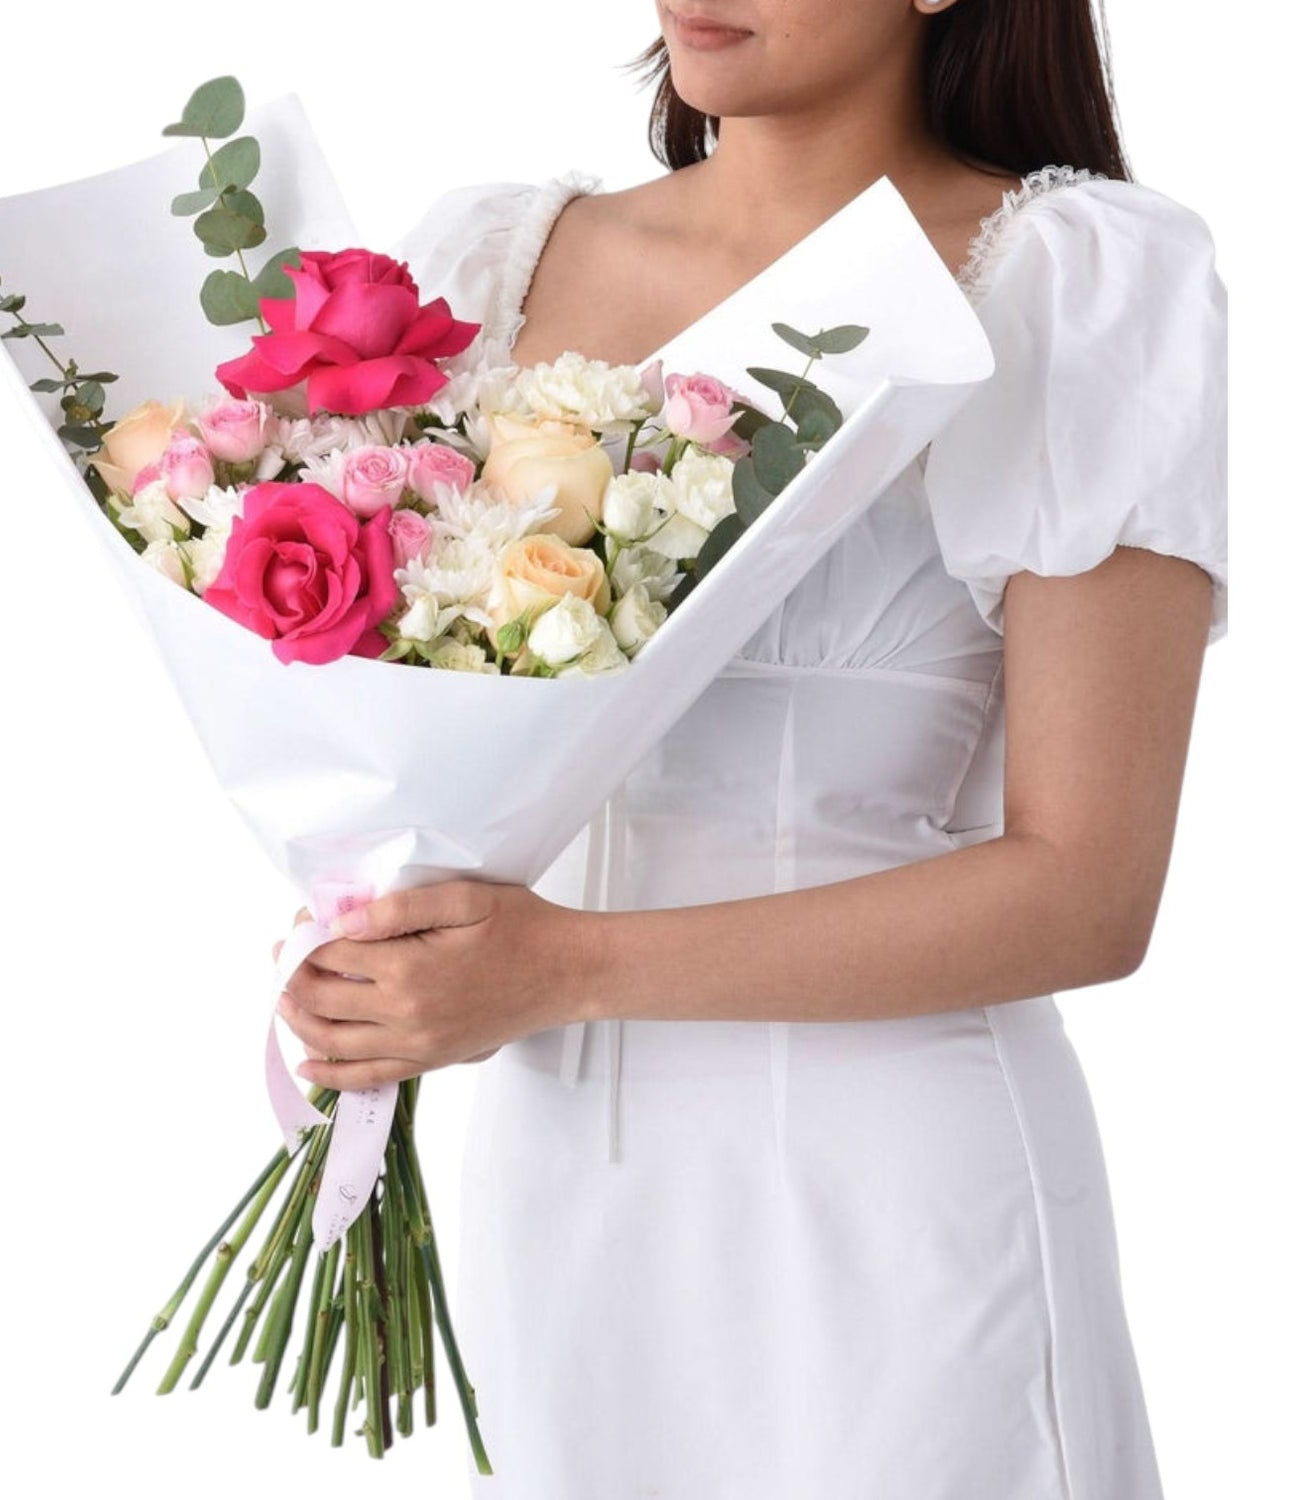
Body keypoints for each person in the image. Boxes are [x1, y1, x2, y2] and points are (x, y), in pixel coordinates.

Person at [272, 1, 1227, 1495]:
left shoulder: (1072, 281)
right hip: (563, 1192)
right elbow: (405, 731)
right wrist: (376, 940)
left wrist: (557, 969)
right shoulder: (489, 261)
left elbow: (1088, 891)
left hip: (895, 1216)